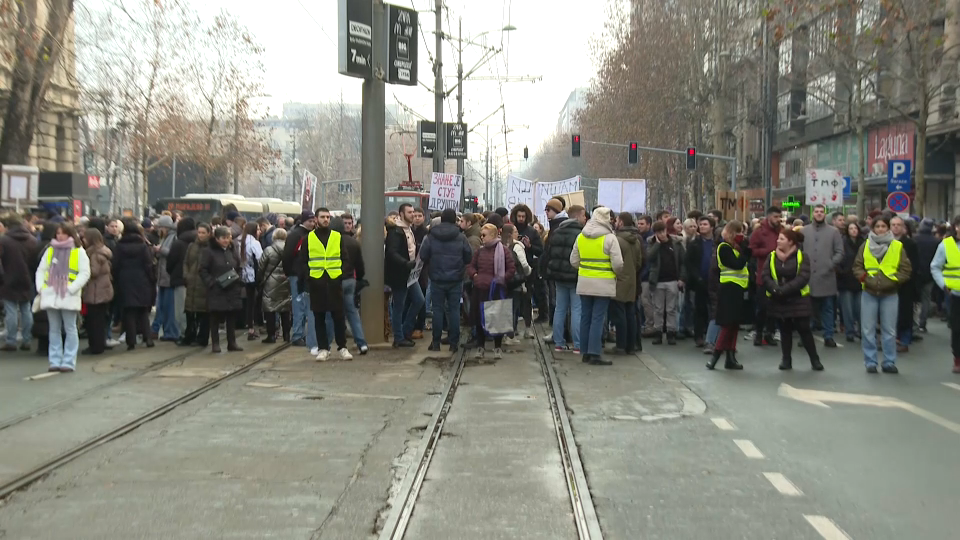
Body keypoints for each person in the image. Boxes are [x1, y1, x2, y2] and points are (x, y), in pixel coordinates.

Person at [853, 216, 911, 374]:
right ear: (873, 228)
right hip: (869, 292)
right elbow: (857, 266)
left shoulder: (897, 246)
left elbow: (906, 269)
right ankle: (870, 362)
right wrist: (864, 277)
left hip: (890, 293)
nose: (880, 229)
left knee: (889, 330)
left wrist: (894, 281)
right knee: (867, 329)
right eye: (877, 226)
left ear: (888, 228)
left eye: (883, 226)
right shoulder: (865, 246)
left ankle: (889, 361)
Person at [762, 228, 823, 371]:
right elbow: (765, 275)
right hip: (778, 299)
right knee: (785, 330)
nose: (778, 241)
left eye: (781, 239)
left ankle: (814, 359)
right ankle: (786, 359)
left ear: (791, 242)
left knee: (804, 329)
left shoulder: (802, 256)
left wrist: (786, 289)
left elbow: (803, 277)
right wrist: (776, 289)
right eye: (778, 238)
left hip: (798, 299)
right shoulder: (771, 256)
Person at [571, 207, 624, 366]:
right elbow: (618, 264)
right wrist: (613, 272)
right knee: (597, 318)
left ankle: (585, 351)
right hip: (604, 284)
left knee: (585, 316)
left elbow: (573, 261)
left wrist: (586, 268)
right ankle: (595, 353)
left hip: (584, 281)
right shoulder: (610, 238)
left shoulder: (581, 236)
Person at [297, 207, 351, 361]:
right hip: (317, 283)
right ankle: (322, 348)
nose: (326, 219)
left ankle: (342, 347)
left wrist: (340, 276)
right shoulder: (308, 238)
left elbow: (345, 259)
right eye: (322, 217)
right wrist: (309, 278)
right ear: (316, 219)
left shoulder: (337, 237)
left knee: (338, 316)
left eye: (328, 217)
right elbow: (303, 261)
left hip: (334, 281)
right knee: (319, 316)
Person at [35, 223, 90, 372]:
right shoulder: (50, 250)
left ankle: (69, 361)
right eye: (58, 233)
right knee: (53, 329)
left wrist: (71, 289)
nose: (60, 236)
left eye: (63, 233)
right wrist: (41, 288)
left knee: (70, 328)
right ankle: (54, 360)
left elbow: (85, 273)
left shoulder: (79, 252)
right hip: (51, 294)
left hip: (68, 294)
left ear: (70, 234)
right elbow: (41, 270)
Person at [419, 207, 472, 352]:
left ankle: (435, 343)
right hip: (456, 279)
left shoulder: (430, 236)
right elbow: (468, 256)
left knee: (437, 310)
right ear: (455, 220)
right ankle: (453, 343)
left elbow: (423, 255)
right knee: (454, 310)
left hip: (436, 278)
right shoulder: (461, 237)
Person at [466, 223, 516, 359]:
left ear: (493, 235)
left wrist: (501, 279)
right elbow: (471, 266)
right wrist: (475, 275)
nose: (481, 237)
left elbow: (511, 268)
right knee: (479, 318)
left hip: (495, 290)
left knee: (496, 318)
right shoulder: (479, 251)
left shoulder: (504, 251)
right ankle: (480, 346)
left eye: (484, 235)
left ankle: (497, 347)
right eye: (481, 235)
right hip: (479, 289)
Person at [542, 205, 586, 353]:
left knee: (560, 309)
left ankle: (559, 343)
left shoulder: (556, 232)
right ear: (577, 216)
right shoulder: (581, 234)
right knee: (576, 310)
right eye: (583, 216)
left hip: (559, 276)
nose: (585, 218)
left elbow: (550, 254)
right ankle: (577, 344)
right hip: (575, 276)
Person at [707, 220, 750, 370]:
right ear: (732, 233)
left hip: (738, 289)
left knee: (734, 325)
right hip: (728, 289)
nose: (742, 235)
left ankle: (730, 358)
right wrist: (746, 252)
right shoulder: (723, 248)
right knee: (727, 325)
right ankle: (716, 356)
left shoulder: (736, 248)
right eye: (739, 232)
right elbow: (737, 264)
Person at [801, 204, 844, 347]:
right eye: (816, 211)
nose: (819, 214)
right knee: (807, 309)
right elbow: (798, 250)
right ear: (812, 213)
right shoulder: (804, 231)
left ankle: (828, 336)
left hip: (827, 276)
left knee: (828, 309)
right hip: (808, 277)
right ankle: (805, 336)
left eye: (821, 212)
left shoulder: (834, 232)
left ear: (825, 214)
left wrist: (830, 264)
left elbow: (839, 252)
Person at [384, 203, 424, 348]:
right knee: (399, 306)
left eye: (413, 212)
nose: (413, 215)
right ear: (401, 214)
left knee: (419, 300)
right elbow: (391, 252)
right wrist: (405, 263)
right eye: (409, 212)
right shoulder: (396, 231)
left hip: (411, 272)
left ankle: (405, 330)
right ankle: (399, 337)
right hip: (400, 273)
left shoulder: (409, 229)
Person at [113, 218, 156, 350]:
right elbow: (149, 265)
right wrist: (152, 279)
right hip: (141, 280)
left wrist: (117, 280)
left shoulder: (119, 246)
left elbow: (115, 265)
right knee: (143, 311)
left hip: (125, 280)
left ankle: (131, 342)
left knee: (128, 312)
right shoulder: (143, 246)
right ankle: (148, 338)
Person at [200, 226, 244, 353]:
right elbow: (203, 269)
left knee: (231, 316)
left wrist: (238, 278)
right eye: (223, 238)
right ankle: (215, 343)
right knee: (215, 317)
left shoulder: (232, 249)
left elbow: (238, 265)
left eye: (228, 237)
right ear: (217, 239)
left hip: (232, 287)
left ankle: (232, 342)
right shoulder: (209, 251)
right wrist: (211, 283)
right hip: (217, 289)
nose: (226, 240)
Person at [0, 214, 39, 351]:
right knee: (26, 309)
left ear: (8, 226)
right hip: (27, 278)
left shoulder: (4, 241)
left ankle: (11, 341)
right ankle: (26, 339)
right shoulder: (32, 240)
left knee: (10, 311)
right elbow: (36, 262)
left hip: (8, 278)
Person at [282, 211, 317, 348]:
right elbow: (287, 255)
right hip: (297, 274)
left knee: (302, 305)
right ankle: (297, 334)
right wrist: (289, 271)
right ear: (303, 221)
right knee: (299, 305)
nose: (312, 223)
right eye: (310, 221)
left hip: (305, 273)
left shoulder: (303, 234)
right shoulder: (297, 235)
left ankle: (300, 334)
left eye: (313, 221)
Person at [647, 220, 686, 345]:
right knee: (658, 309)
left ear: (666, 230)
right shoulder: (652, 243)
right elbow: (649, 257)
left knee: (671, 309)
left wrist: (682, 278)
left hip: (672, 280)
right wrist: (657, 245)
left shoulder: (676, 243)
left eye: (663, 231)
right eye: (658, 232)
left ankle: (671, 332)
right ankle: (658, 332)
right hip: (658, 280)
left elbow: (683, 262)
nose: (662, 235)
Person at [930, 215, 960, 373]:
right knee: (957, 329)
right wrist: (943, 285)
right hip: (955, 294)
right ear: (956, 227)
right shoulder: (946, 245)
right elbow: (935, 266)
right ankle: (958, 359)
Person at [749, 206, 782, 346]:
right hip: (763, 275)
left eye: (779, 217)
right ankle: (759, 333)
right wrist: (769, 251)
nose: (778, 220)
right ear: (769, 217)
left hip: (779, 274)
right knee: (762, 307)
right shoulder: (759, 232)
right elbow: (752, 250)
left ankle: (770, 333)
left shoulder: (781, 231)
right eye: (775, 217)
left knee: (774, 307)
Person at [610, 212, 644, 354]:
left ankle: (620, 345)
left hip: (619, 281)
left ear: (621, 223)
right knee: (630, 313)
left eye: (617, 220)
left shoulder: (617, 240)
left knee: (619, 315)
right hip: (632, 281)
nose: (615, 222)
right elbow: (639, 262)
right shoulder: (636, 240)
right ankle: (631, 345)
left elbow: (614, 262)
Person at [81, 228, 114, 355]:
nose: (83, 240)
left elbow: (93, 272)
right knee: (100, 320)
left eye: (85, 238)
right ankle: (100, 343)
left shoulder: (94, 254)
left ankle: (95, 346)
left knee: (93, 321)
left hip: (95, 291)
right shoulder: (104, 251)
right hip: (104, 290)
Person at [685, 216, 715, 349]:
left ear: (712, 227)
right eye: (700, 224)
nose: (701, 226)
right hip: (700, 281)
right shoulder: (694, 243)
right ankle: (699, 336)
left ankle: (712, 336)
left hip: (715, 281)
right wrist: (697, 278)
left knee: (714, 310)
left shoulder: (717, 243)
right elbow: (689, 263)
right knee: (700, 309)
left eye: (705, 224)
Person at [258, 227, 291, 343]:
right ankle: (287, 334)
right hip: (285, 281)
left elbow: (261, 266)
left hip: (270, 283)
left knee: (270, 309)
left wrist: (260, 279)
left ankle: (271, 335)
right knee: (285, 308)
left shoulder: (268, 250)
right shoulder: (289, 249)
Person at [891, 216, 919, 352]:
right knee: (891, 313)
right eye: (893, 225)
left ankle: (904, 340)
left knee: (905, 313)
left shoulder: (910, 244)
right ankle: (892, 338)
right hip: (889, 284)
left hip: (906, 284)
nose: (896, 227)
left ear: (903, 228)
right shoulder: (886, 242)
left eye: (898, 225)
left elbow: (913, 266)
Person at [166, 217, 196, 343]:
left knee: (181, 310)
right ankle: (195, 332)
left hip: (180, 280)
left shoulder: (178, 243)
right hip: (197, 281)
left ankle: (185, 334)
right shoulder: (198, 242)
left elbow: (170, 263)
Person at [181, 223, 211, 347]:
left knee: (203, 313)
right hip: (191, 283)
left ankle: (202, 337)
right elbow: (186, 262)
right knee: (189, 311)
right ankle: (189, 336)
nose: (201, 235)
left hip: (204, 284)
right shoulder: (192, 246)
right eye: (199, 232)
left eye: (203, 233)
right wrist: (186, 275)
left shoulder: (210, 248)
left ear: (209, 234)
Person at [152, 215, 178, 342]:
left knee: (169, 307)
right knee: (162, 306)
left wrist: (160, 249)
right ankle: (162, 330)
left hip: (168, 277)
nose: (158, 230)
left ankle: (171, 332)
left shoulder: (173, 237)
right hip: (163, 277)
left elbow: (172, 254)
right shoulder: (165, 237)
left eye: (160, 227)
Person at [837, 221, 864, 343]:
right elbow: (838, 259)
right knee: (847, 309)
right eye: (851, 228)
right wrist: (841, 272)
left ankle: (862, 331)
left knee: (860, 308)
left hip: (860, 280)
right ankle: (850, 331)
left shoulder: (863, 243)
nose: (853, 230)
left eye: (855, 228)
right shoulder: (843, 243)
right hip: (846, 280)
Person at [240, 222, 263, 341]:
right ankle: (260, 324)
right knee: (258, 301)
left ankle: (250, 327)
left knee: (250, 302)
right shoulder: (254, 242)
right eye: (258, 229)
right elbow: (260, 258)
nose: (260, 231)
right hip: (255, 275)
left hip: (245, 275)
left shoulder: (241, 241)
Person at [915, 218, 939, 333]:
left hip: (916, 273)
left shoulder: (915, 239)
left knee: (913, 300)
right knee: (926, 299)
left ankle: (913, 324)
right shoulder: (936, 241)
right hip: (929, 274)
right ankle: (922, 324)